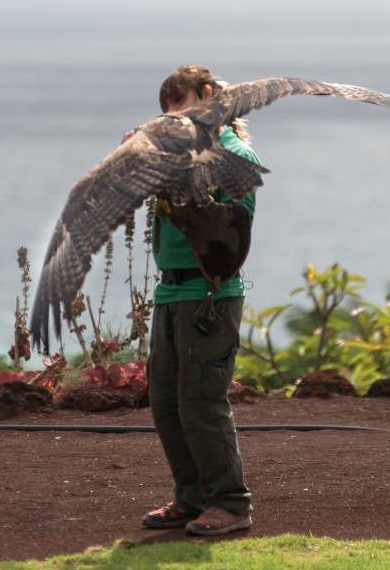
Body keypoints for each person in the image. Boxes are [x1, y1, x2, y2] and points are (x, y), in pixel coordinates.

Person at [139, 65, 257, 536]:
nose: (174, 120)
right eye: (168, 114)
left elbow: (231, 225)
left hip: (209, 295)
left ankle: (231, 503)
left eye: (181, 107)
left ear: (209, 95)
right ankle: (191, 499)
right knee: (166, 403)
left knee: (202, 403)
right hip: (170, 290)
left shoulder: (235, 153)